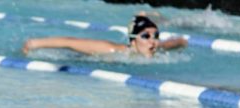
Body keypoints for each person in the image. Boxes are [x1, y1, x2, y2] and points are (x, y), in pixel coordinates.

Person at [22, 15, 187, 58]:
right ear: (133, 40)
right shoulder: (112, 49)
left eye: (156, 35)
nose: (153, 41)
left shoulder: (155, 48)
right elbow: (69, 42)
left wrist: (182, 42)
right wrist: (34, 43)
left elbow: (175, 42)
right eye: (146, 36)